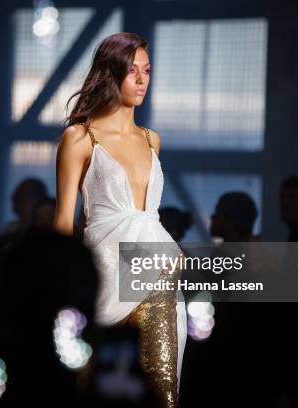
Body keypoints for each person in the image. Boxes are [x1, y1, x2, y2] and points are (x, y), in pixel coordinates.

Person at [53, 32, 186, 407]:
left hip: (156, 270)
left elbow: (148, 216)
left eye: (147, 71)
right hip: (102, 276)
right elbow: (64, 222)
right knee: (89, 385)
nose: (142, 80)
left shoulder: (151, 140)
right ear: (111, 74)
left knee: (162, 392)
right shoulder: (80, 138)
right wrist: (61, 291)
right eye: (133, 71)